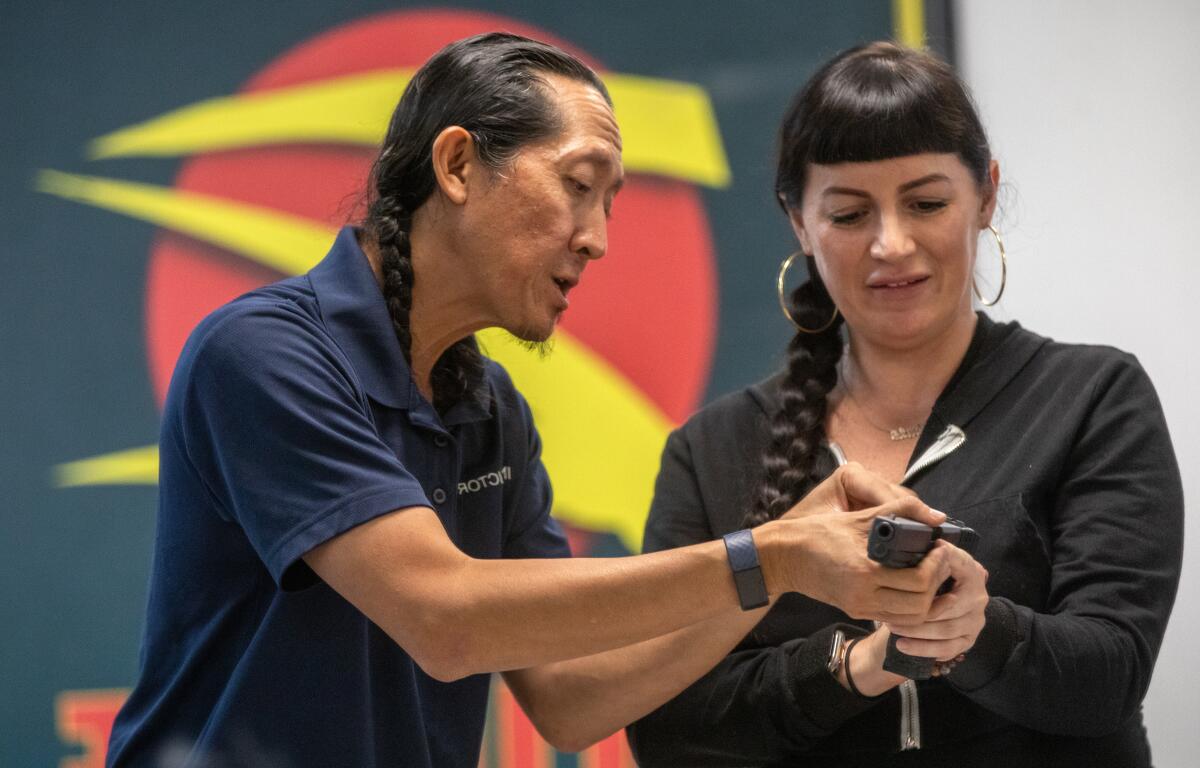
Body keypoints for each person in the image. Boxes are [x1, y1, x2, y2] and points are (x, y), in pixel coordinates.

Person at [104, 33, 965, 768]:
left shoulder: (489, 406)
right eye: (578, 185)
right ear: (456, 165)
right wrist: (772, 556)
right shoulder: (264, 353)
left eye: (611, 201)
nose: (596, 238)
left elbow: (568, 699)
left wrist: (781, 577)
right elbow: (445, 620)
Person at [627, 41, 1183, 768]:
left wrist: (977, 628)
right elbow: (666, 728)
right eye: (851, 215)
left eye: (925, 203)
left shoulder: (1093, 398)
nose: (892, 244)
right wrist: (856, 666)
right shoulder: (711, 450)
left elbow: (1107, 675)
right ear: (799, 221)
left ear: (985, 195)